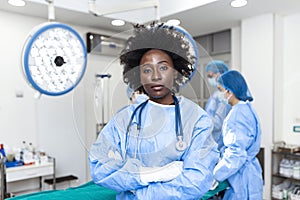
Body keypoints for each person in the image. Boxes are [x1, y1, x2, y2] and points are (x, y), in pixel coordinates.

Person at [89, 23, 219, 200]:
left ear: (175, 72)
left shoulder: (197, 120)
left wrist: (139, 191)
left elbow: (196, 180)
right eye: (147, 70)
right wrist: (149, 175)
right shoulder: (126, 118)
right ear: (139, 76)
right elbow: (99, 165)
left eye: (163, 67)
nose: (155, 76)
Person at [213, 70, 263, 200]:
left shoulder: (236, 115)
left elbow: (236, 155)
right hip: (251, 174)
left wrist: (215, 176)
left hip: (241, 179)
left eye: (221, 90)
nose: (221, 95)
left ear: (229, 91)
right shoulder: (247, 108)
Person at [205, 60, 231, 150]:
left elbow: (218, 123)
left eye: (210, 76)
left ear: (219, 74)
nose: (209, 79)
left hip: (220, 144)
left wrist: (200, 120)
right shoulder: (216, 96)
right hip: (214, 142)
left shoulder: (223, 98)